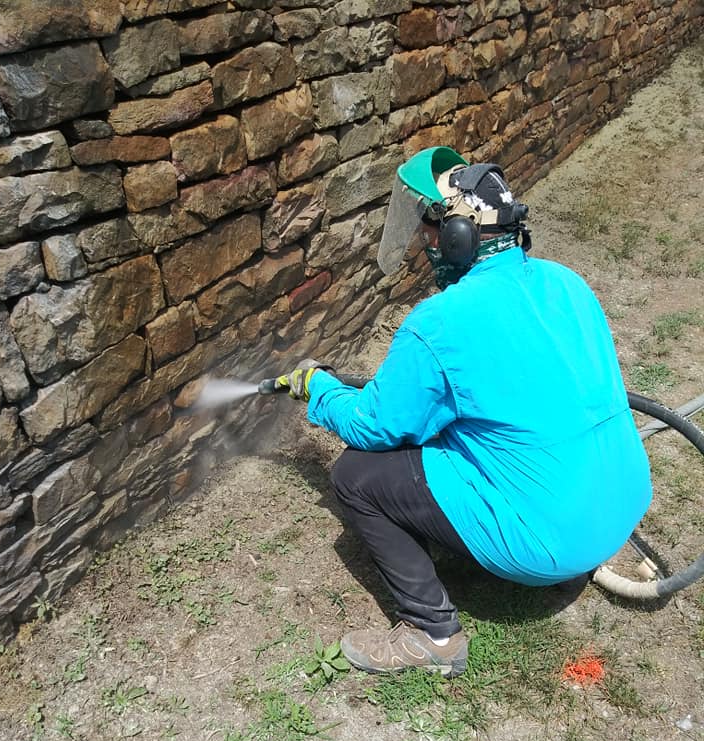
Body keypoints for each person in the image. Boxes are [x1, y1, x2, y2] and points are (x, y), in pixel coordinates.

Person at [276, 146, 652, 677]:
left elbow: (372, 426)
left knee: (357, 475)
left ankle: (432, 633)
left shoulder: (440, 322)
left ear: (457, 237)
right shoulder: (566, 281)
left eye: (431, 229)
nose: (425, 242)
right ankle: (548, 549)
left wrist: (319, 389)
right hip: (617, 507)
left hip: (548, 543)